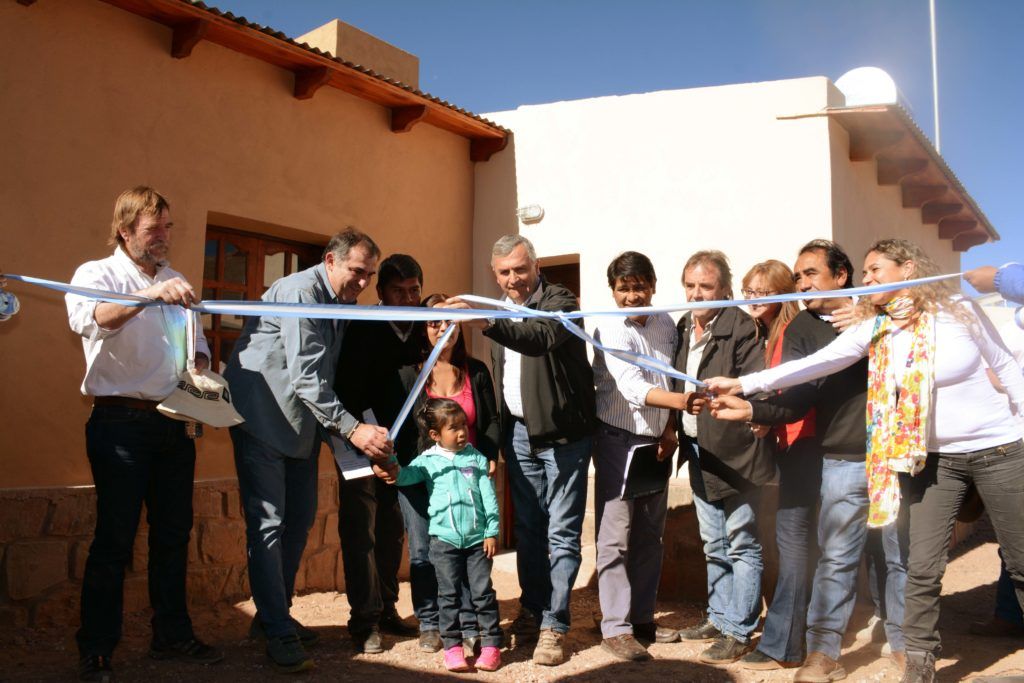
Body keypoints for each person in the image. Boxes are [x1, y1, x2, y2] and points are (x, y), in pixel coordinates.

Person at [709, 239, 1024, 683]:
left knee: (979, 560)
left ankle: (908, 647)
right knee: (880, 561)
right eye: (867, 271)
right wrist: (742, 385)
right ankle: (877, 656)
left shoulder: (954, 310)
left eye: (877, 269)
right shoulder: (874, 326)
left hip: (965, 452)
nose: (868, 277)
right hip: (893, 461)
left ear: (909, 268)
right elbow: (812, 366)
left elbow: (1007, 369)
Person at [713, 241, 909, 678]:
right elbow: (798, 388)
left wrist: (870, 314)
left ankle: (904, 644)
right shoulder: (803, 326)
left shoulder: (883, 311)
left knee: (897, 555)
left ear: (842, 276)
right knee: (836, 555)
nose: (801, 284)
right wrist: (750, 405)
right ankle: (823, 653)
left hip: (894, 455)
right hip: (840, 456)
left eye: (811, 274)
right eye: (798, 276)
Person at [66, 186, 223, 682]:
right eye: (154, 229)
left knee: (173, 536)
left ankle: (172, 635)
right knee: (114, 539)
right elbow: (92, 321)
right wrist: (147, 294)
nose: (163, 237)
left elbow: (195, 344)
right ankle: (97, 649)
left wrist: (200, 368)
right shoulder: (96, 274)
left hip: (174, 423)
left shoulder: (177, 279)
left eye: (167, 227)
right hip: (120, 424)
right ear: (125, 230)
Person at [224, 228, 391, 673]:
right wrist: (354, 431)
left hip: (299, 428)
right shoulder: (301, 292)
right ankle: (278, 630)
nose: (363, 282)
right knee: (270, 526)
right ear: (331, 261)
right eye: (357, 271)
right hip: (261, 419)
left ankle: (270, 617)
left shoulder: (340, 300)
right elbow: (308, 377)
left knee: (297, 522)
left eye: (370, 275)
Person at [445, 234, 596, 666]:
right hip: (520, 437)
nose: (514, 279)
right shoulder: (499, 307)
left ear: (536, 266)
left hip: (564, 436)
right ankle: (532, 610)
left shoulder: (561, 301)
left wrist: (487, 320)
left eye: (520, 269)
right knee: (528, 530)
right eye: (505, 272)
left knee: (562, 534)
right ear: (495, 274)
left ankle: (554, 625)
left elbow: (538, 337)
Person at [672, 250, 774, 664]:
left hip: (736, 452)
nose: (697, 294)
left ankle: (739, 628)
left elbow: (754, 386)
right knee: (713, 541)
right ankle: (718, 615)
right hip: (698, 449)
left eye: (706, 287)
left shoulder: (742, 329)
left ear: (725, 290)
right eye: (691, 286)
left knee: (742, 543)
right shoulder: (683, 327)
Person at [590, 252, 686, 661]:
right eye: (623, 288)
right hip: (618, 440)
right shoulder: (609, 326)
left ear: (652, 285)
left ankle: (643, 617)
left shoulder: (665, 322)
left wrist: (670, 428)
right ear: (613, 290)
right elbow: (632, 387)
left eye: (639, 286)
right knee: (615, 539)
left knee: (651, 536)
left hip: (657, 443)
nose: (632, 296)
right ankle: (615, 627)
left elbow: (671, 373)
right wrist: (687, 402)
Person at [333, 254, 423, 653]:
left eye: (413, 290)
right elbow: (348, 388)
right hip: (360, 443)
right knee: (361, 530)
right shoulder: (363, 328)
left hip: (402, 452)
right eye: (398, 291)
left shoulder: (424, 329)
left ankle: (387, 607)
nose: (407, 298)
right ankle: (364, 620)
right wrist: (370, 442)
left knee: (391, 530)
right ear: (382, 293)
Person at [402, 292, 501, 654]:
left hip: (466, 477)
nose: (443, 329)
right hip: (422, 480)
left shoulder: (475, 371)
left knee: (464, 548)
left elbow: (491, 419)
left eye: (449, 321)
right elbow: (398, 427)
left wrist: (489, 454)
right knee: (424, 551)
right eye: (434, 322)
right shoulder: (409, 373)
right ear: (423, 328)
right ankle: (430, 623)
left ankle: (466, 620)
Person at [393, 398, 503, 673]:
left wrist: (491, 531)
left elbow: (488, 497)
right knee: (448, 595)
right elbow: (404, 477)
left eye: (463, 425)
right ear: (435, 435)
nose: (462, 432)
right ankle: (453, 649)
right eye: (453, 428)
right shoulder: (428, 460)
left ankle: (490, 647)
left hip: (478, 541)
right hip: (443, 542)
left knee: (482, 593)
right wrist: (390, 462)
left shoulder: (476, 458)